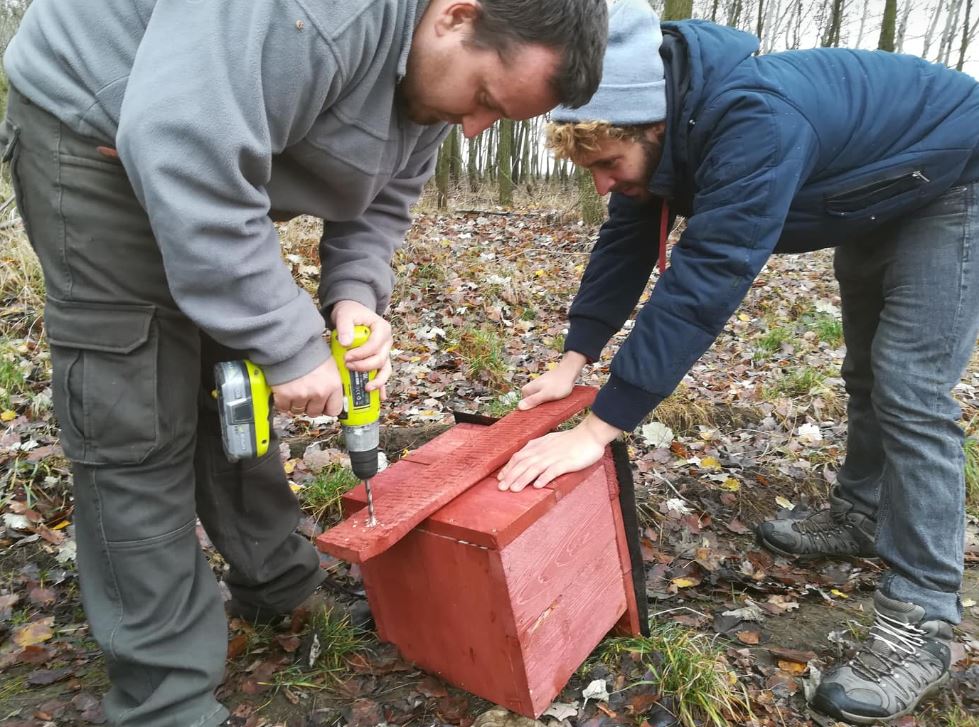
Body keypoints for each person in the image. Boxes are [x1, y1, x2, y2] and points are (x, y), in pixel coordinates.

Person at [0, 0, 607, 725]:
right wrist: (290, 344)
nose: (474, 127)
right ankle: (167, 698)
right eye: (481, 99)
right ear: (455, 16)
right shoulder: (316, 11)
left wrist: (352, 297)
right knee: (135, 423)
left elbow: (382, 204)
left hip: (209, 170)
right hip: (96, 140)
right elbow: (183, 141)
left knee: (234, 397)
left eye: (496, 120)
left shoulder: (428, 78)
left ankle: (279, 586)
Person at [496, 0, 979, 723]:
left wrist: (598, 428)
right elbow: (626, 244)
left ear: (649, 129)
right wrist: (575, 356)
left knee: (910, 386)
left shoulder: (754, 122)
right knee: (865, 374)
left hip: (949, 178)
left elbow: (704, 280)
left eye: (606, 164)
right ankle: (861, 508)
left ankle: (923, 616)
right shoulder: (662, 134)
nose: (601, 182)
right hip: (874, 191)